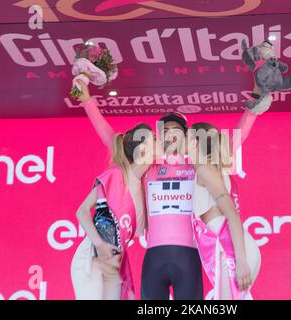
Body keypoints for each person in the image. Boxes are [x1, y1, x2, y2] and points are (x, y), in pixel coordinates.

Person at [75, 78, 268, 299]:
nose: (170, 134)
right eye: (165, 129)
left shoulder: (197, 165)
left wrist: (254, 104)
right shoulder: (149, 166)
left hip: (189, 257)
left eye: (176, 129)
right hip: (154, 257)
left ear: (187, 136)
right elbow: (113, 141)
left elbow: (236, 140)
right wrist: (88, 101)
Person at [70, 123, 155, 299]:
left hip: (116, 263)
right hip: (92, 258)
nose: (159, 144)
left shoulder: (144, 187)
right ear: (144, 149)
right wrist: (100, 244)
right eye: (154, 140)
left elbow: (142, 230)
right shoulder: (115, 175)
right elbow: (82, 211)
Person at [187, 122, 261, 299]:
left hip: (231, 251)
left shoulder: (206, 170)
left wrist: (241, 262)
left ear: (195, 143)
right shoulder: (205, 170)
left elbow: (232, 214)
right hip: (228, 248)